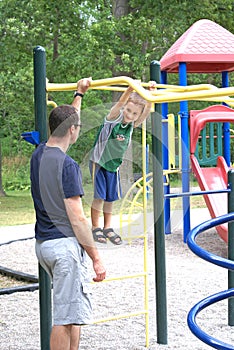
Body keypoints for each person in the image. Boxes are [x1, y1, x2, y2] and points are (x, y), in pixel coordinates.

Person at [30, 77, 106, 350]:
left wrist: (79, 94)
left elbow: (68, 124)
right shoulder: (68, 166)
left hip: (45, 245)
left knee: (72, 314)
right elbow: (78, 218)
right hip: (64, 249)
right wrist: (96, 257)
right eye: (77, 127)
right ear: (72, 130)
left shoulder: (39, 154)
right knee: (64, 319)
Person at [89, 80, 156, 245]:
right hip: (99, 162)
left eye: (134, 114)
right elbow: (120, 103)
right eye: (128, 110)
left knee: (110, 198)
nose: (130, 115)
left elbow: (146, 111)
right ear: (124, 107)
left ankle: (107, 227)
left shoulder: (132, 125)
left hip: (114, 166)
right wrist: (130, 88)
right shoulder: (113, 118)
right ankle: (95, 227)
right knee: (99, 196)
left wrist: (150, 93)